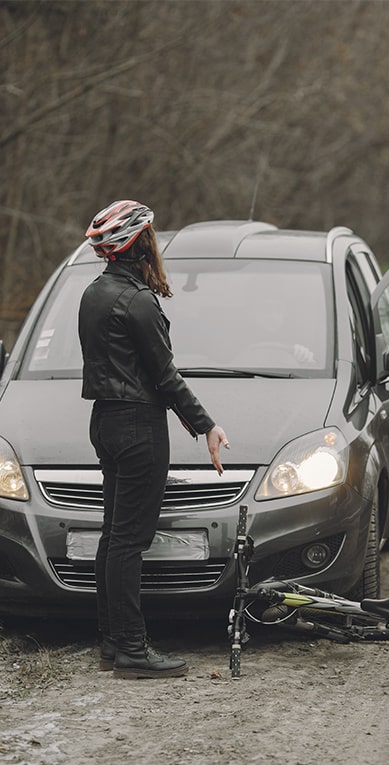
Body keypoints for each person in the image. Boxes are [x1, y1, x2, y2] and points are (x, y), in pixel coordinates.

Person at [78, 200, 229, 679]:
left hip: (104, 422)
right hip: (139, 427)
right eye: (152, 235)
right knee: (129, 540)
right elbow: (165, 377)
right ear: (140, 241)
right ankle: (131, 651)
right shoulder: (139, 301)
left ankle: (110, 642)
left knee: (113, 534)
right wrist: (206, 425)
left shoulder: (93, 293)